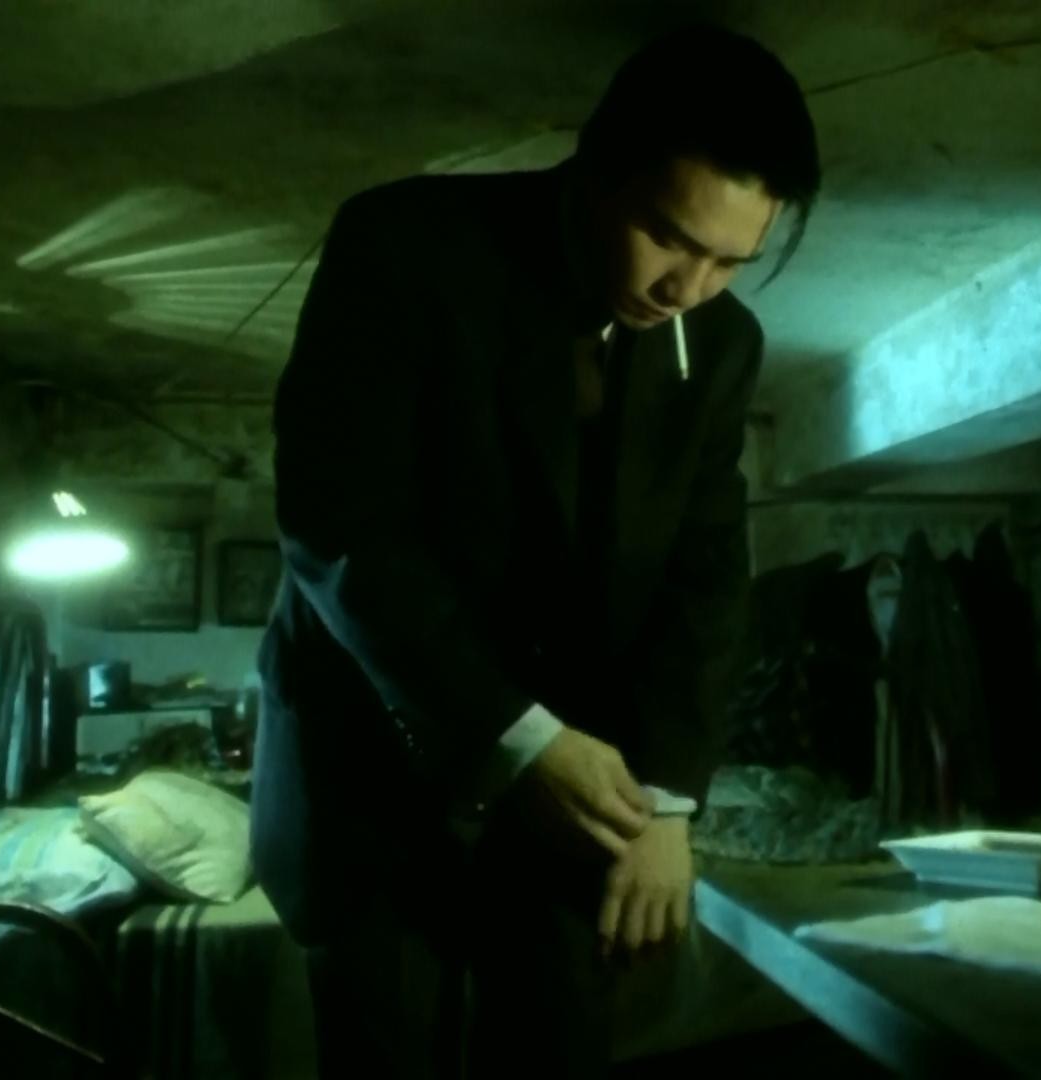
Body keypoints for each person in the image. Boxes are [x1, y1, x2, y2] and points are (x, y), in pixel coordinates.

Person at [249, 24, 819, 1078]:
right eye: (668, 236)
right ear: (598, 166)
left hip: (571, 818)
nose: (688, 287)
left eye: (730, 261)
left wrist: (668, 801)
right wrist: (518, 737)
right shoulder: (403, 246)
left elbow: (704, 582)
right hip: (372, 778)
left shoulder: (724, 345)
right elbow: (339, 524)